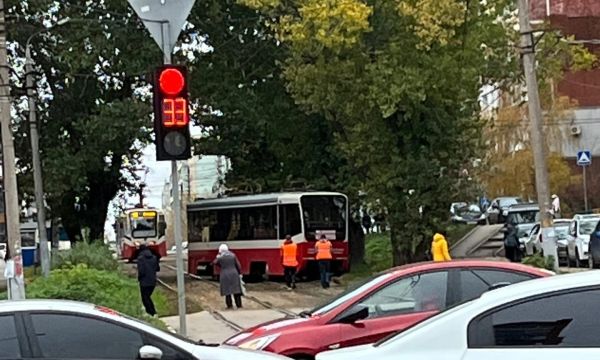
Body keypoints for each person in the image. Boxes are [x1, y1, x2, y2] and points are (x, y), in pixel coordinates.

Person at [213, 244, 243, 309]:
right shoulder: (233, 255)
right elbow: (238, 265)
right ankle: (239, 305)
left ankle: (229, 305)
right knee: (236, 290)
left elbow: (214, 262)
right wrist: (239, 273)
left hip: (224, 275)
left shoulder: (220, 257)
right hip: (234, 274)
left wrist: (218, 258)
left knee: (227, 291)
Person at [137, 244, 160, 317]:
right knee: (147, 296)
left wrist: (139, 278)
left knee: (145, 297)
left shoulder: (140, 258)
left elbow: (141, 271)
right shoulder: (154, 257)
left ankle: (151, 312)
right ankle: (151, 312)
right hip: (153, 281)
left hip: (144, 281)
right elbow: (157, 268)